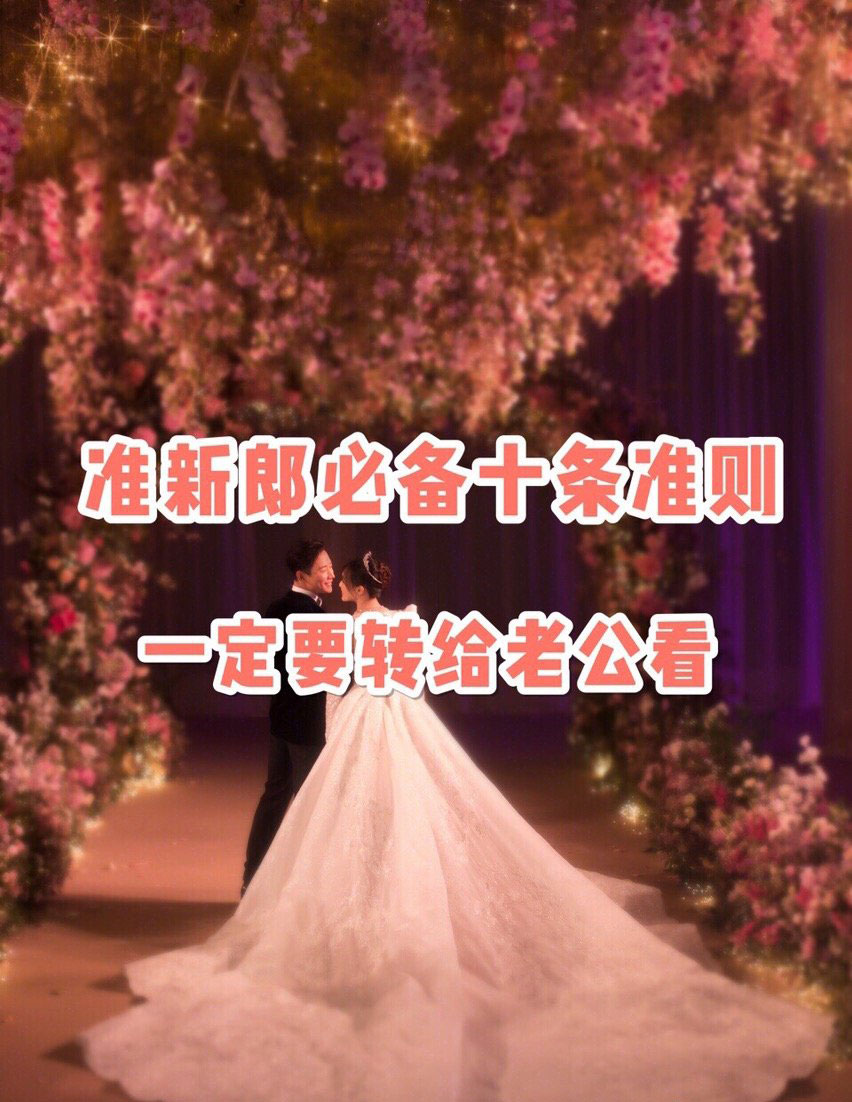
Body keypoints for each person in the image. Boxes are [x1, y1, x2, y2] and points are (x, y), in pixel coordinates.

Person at [78, 551, 834, 1102]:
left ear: (357, 587)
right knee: (393, 813)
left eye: (344, 578)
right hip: (392, 722)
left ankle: (369, 917)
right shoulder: (387, 621)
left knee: (361, 816)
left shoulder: (352, 625)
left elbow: (341, 680)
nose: (339, 584)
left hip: (366, 723)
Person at [240, 538, 334, 897]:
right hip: (307, 725)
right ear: (301, 575)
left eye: (330, 566)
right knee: (311, 806)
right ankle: (304, 891)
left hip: (280, 719)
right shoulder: (312, 617)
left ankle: (252, 879)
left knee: (274, 797)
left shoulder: (276, 608)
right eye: (323, 569)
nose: (330, 574)